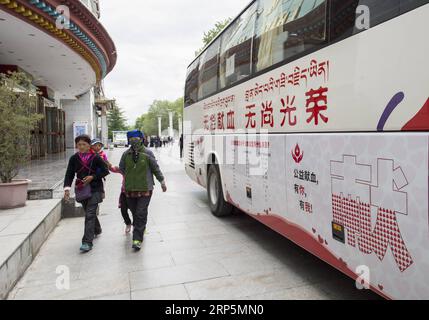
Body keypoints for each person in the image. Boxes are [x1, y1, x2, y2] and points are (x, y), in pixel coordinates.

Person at [119, 130, 167, 251]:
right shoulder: (126, 154)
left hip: (146, 188)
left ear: (141, 139)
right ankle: (141, 226)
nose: (134, 140)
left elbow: (155, 168)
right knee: (135, 212)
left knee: (140, 212)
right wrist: (131, 178)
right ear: (128, 140)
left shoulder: (148, 153)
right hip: (130, 189)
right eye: (131, 138)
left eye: (136, 138)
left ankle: (137, 239)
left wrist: (162, 181)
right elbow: (122, 168)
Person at [64, 135, 109, 252]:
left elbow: (105, 171)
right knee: (89, 212)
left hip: (95, 188)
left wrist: (93, 177)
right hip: (82, 189)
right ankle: (97, 229)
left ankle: (87, 242)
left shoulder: (96, 157)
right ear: (76, 146)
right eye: (79, 144)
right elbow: (69, 174)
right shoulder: (74, 158)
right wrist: (67, 189)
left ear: (89, 145)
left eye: (84, 144)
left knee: (89, 214)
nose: (82, 147)